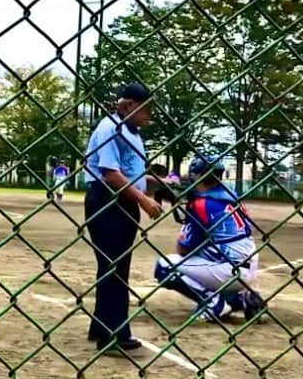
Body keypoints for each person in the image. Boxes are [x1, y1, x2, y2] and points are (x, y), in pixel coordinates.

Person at [83, 82, 163, 354]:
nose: (148, 116)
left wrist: (157, 187)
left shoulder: (133, 132)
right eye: (144, 109)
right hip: (107, 201)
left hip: (122, 202)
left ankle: (101, 326)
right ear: (128, 106)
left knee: (115, 266)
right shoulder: (110, 128)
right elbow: (111, 174)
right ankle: (113, 334)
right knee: (114, 268)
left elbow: (132, 173)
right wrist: (143, 200)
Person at [154, 155, 264, 322]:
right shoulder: (231, 196)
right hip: (248, 265)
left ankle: (214, 304)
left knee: (164, 266)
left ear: (197, 176)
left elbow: (183, 249)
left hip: (228, 269)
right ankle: (244, 300)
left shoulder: (200, 205)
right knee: (208, 253)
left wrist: (185, 227)